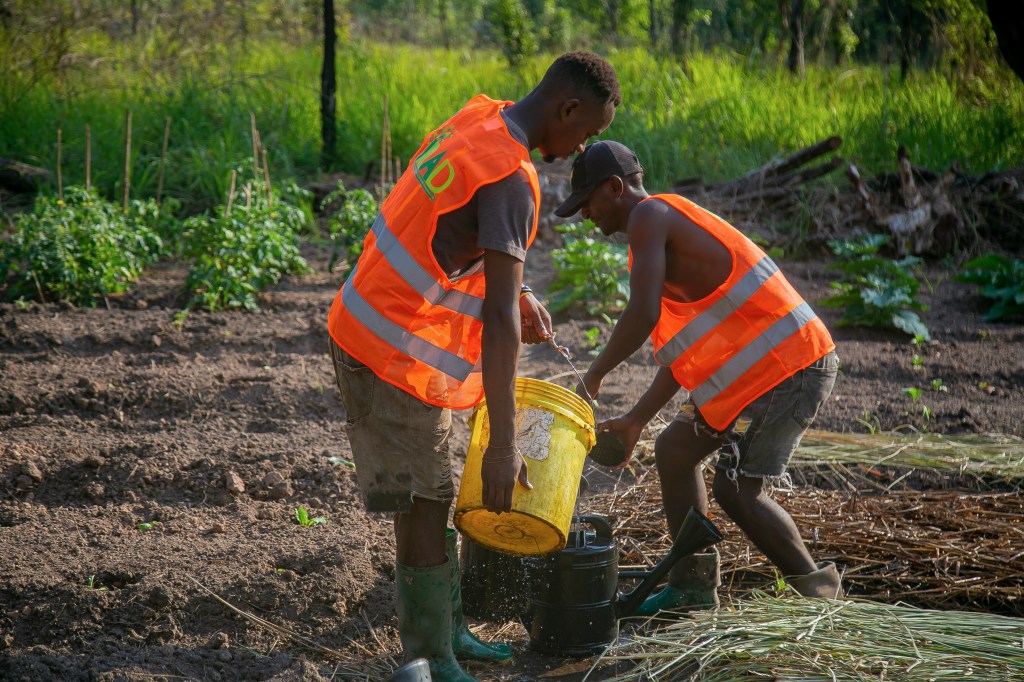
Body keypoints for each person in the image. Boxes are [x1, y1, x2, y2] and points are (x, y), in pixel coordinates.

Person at [327, 53, 620, 681]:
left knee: (429, 488)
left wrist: (520, 289)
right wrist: (504, 446)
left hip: (375, 320)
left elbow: (460, 232)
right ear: (568, 108)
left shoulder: (480, 117)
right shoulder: (512, 179)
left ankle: (450, 631)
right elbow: (502, 324)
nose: (581, 148)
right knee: (425, 499)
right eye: (587, 132)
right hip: (390, 348)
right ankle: (430, 654)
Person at [557, 140, 842, 616]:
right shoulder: (655, 231)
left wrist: (593, 376)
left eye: (587, 201)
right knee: (675, 449)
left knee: (738, 490)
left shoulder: (650, 216)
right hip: (758, 376)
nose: (585, 213)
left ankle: (821, 601)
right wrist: (635, 420)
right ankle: (692, 587)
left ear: (615, 187)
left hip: (789, 369)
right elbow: (684, 351)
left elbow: (642, 314)